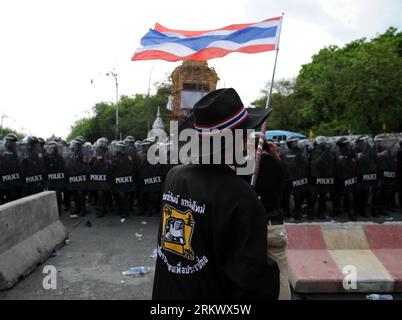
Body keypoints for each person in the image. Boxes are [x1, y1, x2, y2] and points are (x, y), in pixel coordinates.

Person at [152, 88, 279, 300]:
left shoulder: (175, 176)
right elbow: (252, 283)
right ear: (234, 141)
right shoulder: (240, 196)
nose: (248, 141)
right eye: (246, 134)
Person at [252, 136, 290, 300]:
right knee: (281, 275)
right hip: (275, 226)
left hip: (253, 228)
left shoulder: (249, 169)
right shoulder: (280, 165)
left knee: (250, 274)